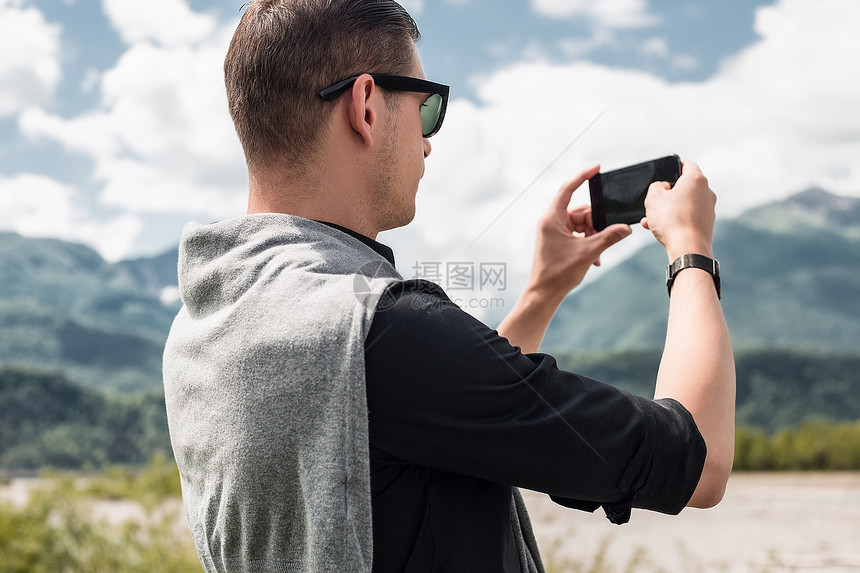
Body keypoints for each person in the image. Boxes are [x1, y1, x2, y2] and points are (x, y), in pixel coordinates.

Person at [162, 1, 736, 572]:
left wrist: (542, 293)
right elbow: (698, 461)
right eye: (427, 106)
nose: (430, 140)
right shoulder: (383, 329)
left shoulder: (205, 324)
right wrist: (690, 250)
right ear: (365, 107)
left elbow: (438, 415)